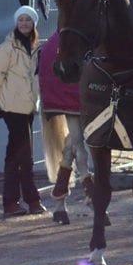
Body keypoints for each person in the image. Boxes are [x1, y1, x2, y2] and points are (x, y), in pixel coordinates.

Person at [0, 5, 45, 218]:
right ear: (16, 22)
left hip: (27, 107)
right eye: (21, 20)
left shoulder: (35, 48)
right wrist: (1, 103)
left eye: (28, 20)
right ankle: (31, 199)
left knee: (14, 155)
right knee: (25, 156)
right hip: (12, 109)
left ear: (33, 23)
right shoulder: (8, 48)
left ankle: (11, 202)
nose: (24, 23)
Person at [38, 30, 91, 224]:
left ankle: (60, 196)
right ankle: (90, 192)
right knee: (77, 144)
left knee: (71, 145)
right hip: (72, 88)